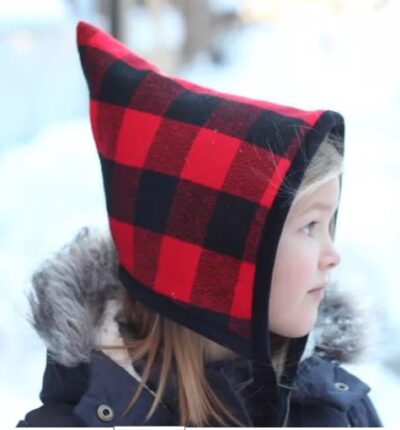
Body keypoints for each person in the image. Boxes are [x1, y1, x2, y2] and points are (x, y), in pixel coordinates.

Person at [17, 21, 382, 427]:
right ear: (223, 256)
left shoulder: (339, 412)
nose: (333, 255)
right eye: (310, 226)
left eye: (329, 224)